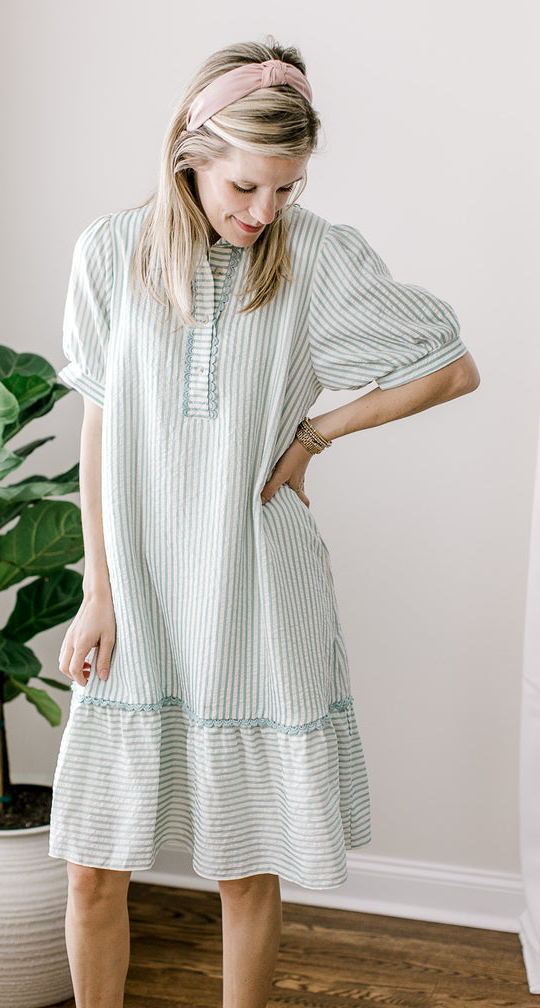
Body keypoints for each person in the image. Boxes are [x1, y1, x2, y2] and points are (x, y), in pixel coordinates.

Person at [51, 38, 479, 1008]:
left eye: (285, 190)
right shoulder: (109, 253)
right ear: (190, 153)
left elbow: (449, 365)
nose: (263, 212)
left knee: (245, 862)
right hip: (143, 591)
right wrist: (97, 589)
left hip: (255, 586)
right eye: (247, 187)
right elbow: (101, 426)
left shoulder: (315, 256)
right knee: (90, 865)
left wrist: (314, 437)